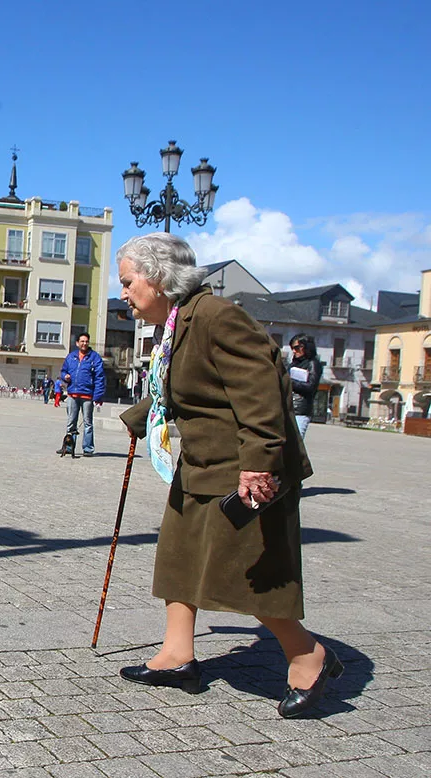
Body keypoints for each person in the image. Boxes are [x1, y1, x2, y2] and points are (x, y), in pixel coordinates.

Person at [115, 232, 336, 719]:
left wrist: (258, 462)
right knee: (179, 559)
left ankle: (308, 656)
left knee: (246, 573)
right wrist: (138, 420)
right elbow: (184, 388)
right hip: (199, 466)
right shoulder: (177, 324)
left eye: (129, 283)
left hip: (242, 472)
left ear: (157, 277)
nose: (125, 295)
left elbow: (260, 389)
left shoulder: (217, 317)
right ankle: (177, 656)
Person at [59, 332, 105, 457]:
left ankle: (88, 448)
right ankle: (68, 446)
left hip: (87, 395)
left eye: (86, 341)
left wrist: (98, 396)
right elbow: (63, 371)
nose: (84, 343)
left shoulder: (94, 357)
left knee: (87, 423)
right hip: (73, 394)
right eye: (82, 341)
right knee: (71, 422)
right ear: (77, 343)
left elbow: (100, 377)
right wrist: (65, 377)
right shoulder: (71, 356)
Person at [288, 334, 322, 438]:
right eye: (292, 348)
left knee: (296, 443)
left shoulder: (313, 364)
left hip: (300, 410)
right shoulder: (293, 364)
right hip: (288, 408)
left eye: (297, 348)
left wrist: (290, 382)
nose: (294, 351)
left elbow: (311, 386)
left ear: (306, 347)